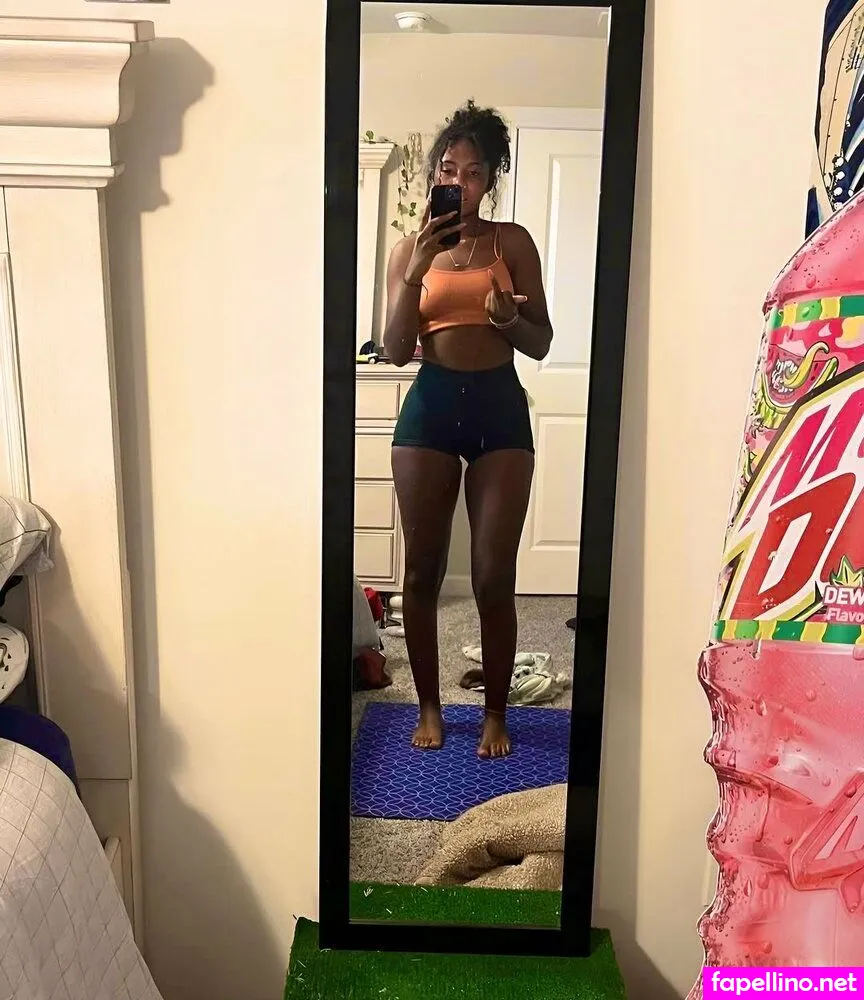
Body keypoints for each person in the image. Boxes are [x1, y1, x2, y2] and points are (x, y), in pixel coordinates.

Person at [382, 100, 554, 759]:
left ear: (490, 179)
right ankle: (428, 705)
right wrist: (414, 272)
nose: (461, 180)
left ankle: (495, 713)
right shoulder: (409, 250)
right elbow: (395, 350)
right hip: (429, 409)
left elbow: (540, 341)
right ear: (436, 175)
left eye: (474, 171)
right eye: (449, 169)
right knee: (420, 572)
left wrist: (507, 318)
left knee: (491, 575)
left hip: (498, 408)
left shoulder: (512, 242)